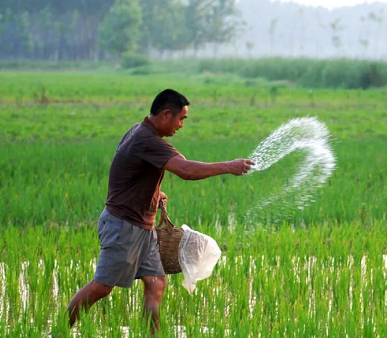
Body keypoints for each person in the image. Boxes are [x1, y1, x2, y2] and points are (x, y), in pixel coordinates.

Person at [67, 89, 254, 334]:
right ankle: (61, 329)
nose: (181, 125)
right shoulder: (145, 139)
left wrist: (154, 194)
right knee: (102, 287)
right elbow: (186, 170)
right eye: (181, 118)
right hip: (123, 226)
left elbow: (128, 169)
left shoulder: (141, 131)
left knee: (156, 285)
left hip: (145, 229)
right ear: (166, 114)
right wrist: (229, 166)